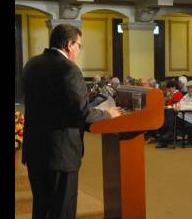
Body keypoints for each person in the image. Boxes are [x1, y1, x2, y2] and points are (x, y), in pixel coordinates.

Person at [21, 24, 122, 219]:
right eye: (79, 45)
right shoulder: (69, 69)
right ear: (69, 44)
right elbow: (82, 113)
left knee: (41, 208)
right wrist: (109, 114)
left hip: (35, 151)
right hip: (61, 153)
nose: (78, 50)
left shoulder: (31, 64)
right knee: (62, 211)